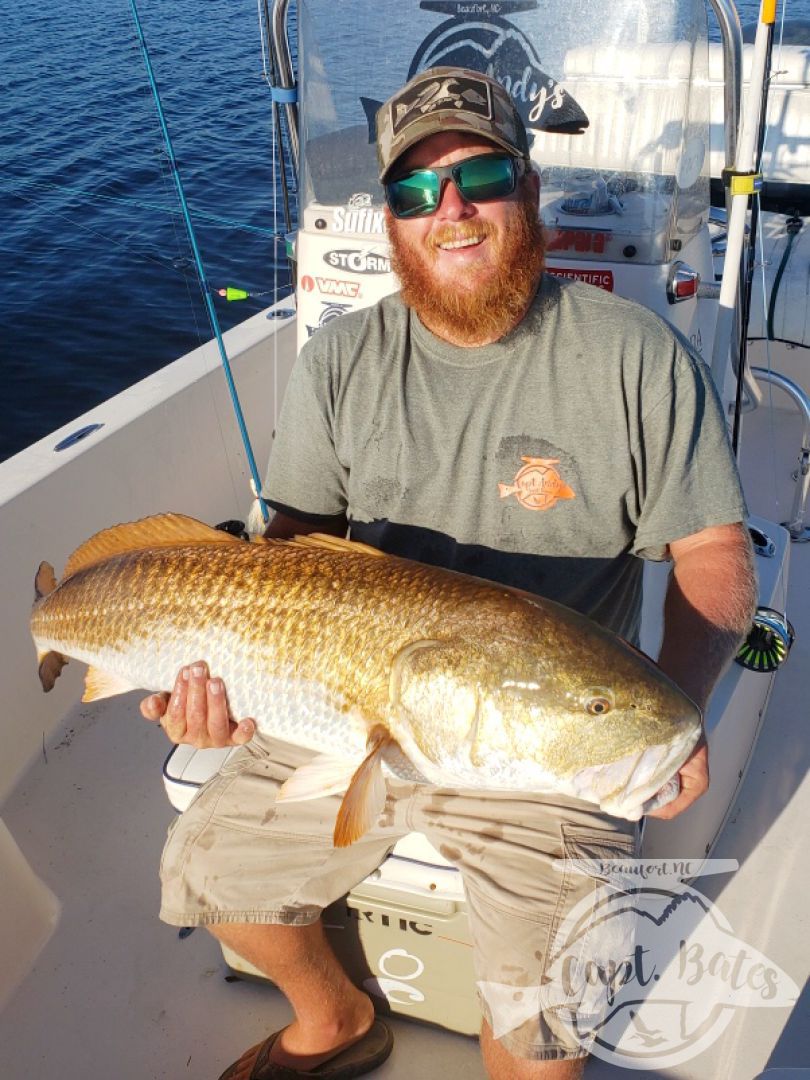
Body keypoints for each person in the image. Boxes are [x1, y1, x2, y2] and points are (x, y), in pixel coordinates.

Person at [141, 67, 757, 1080]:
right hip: (354, 706)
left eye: (479, 177)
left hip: (546, 730)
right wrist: (214, 678)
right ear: (390, 220)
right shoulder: (343, 360)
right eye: (415, 193)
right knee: (209, 871)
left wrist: (675, 706)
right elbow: (289, 552)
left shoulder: (636, 359)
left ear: (529, 185)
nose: (451, 211)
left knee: (548, 1021)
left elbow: (716, 553)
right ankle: (334, 1020)